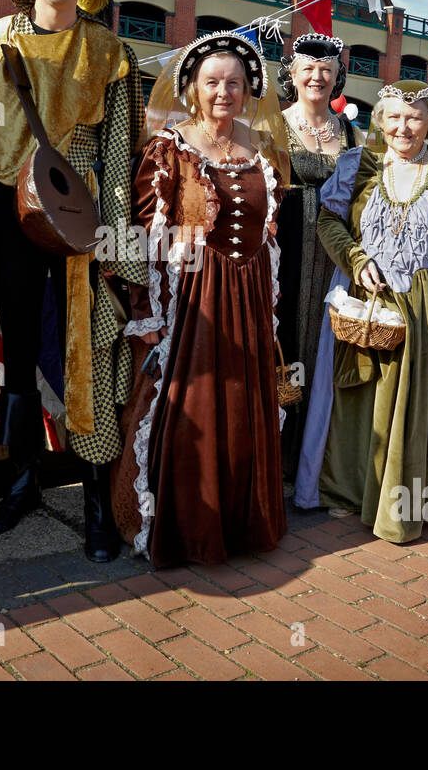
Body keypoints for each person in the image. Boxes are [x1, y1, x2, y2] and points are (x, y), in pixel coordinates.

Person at [0, 0, 144, 562]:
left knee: (84, 356)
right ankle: (23, 482)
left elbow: (121, 158)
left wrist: (120, 245)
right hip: (7, 213)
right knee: (17, 353)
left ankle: (95, 498)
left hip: (79, 217)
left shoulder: (112, 53)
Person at [110, 31, 288, 566]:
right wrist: (148, 308)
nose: (223, 92)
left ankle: (241, 523)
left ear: (248, 89)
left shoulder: (260, 149)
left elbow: (269, 231)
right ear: (192, 86)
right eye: (212, 81)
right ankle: (189, 525)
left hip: (251, 295)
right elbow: (145, 232)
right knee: (192, 403)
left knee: (243, 406)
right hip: (193, 295)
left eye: (234, 83)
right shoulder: (170, 148)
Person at [296, 82, 428, 541]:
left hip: (425, 300)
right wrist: (357, 262)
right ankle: (348, 489)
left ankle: (408, 502)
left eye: (415, 117)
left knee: (416, 399)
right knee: (354, 391)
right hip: (363, 296)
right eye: (394, 117)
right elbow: (328, 220)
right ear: (379, 120)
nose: (404, 126)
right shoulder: (355, 166)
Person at [274, 33, 354, 474]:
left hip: (332, 252)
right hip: (283, 247)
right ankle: (279, 449)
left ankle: (316, 451)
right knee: (283, 337)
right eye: (307, 69)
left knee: (326, 341)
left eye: (325, 70)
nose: (316, 77)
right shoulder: (273, 123)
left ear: (337, 76)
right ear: (293, 74)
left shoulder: (349, 130)